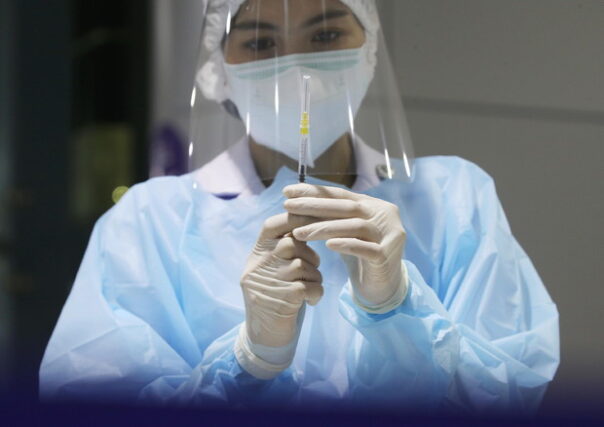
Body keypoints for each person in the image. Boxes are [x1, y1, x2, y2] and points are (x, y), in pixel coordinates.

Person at [40, 0, 559, 414]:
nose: (296, 67)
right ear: (219, 65)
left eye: (326, 35)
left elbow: (508, 392)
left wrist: (399, 306)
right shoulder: (148, 222)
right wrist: (250, 360)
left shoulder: (453, 198)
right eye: (259, 41)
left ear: (369, 46)